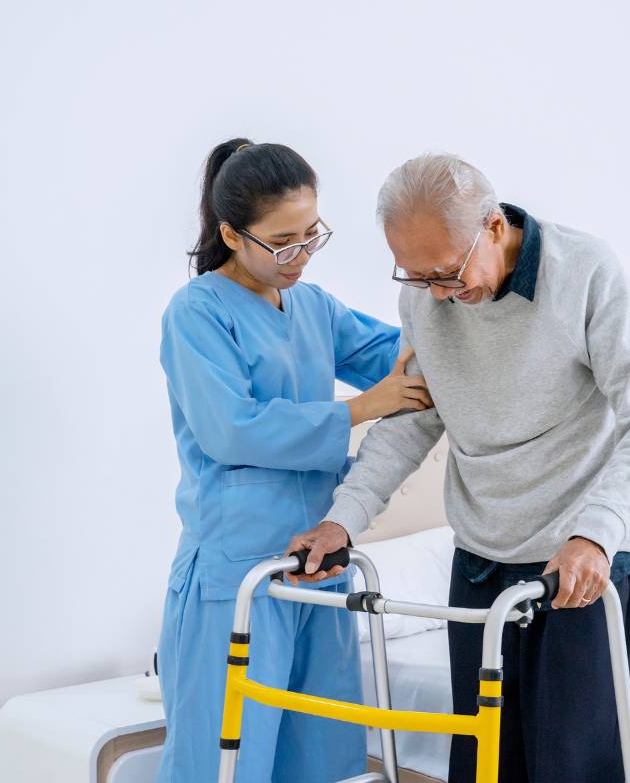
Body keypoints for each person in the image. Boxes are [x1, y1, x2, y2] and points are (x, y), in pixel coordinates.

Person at [287, 153, 630, 783]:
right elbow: (413, 420)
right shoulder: (423, 298)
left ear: (495, 226)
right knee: (485, 767)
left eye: (447, 273)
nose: (439, 293)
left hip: (581, 565)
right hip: (482, 563)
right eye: (417, 277)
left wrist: (596, 535)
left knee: (574, 770)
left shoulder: (584, 271)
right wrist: (343, 520)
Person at [155, 138, 432, 783]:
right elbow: (231, 429)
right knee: (224, 762)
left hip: (318, 566)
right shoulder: (196, 313)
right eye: (282, 242)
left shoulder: (314, 306)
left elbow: (405, 356)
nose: (299, 256)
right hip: (237, 572)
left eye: (311, 236)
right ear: (231, 234)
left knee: (323, 757)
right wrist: (360, 409)